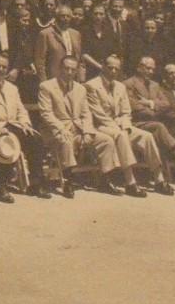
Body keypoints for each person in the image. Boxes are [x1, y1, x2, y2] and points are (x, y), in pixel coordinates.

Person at [38, 54, 134, 198]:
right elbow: (46, 114)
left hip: (79, 129)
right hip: (55, 130)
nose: (69, 72)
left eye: (73, 69)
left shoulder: (80, 89)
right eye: (66, 68)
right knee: (66, 139)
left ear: (76, 71)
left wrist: (88, 131)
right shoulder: (47, 86)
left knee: (106, 140)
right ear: (59, 68)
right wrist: (61, 129)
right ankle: (68, 180)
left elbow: (86, 113)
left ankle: (105, 179)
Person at [0, 52, 51, 201]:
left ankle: (36, 183)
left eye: (4, 67)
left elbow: (21, 109)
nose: (1, 70)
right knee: (4, 142)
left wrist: (25, 123)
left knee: (35, 139)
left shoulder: (12, 88)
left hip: (14, 125)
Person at [84, 55, 170, 195]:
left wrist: (125, 124)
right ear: (103, 66)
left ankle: (159, 179)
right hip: (101, 126)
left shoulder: (120, 86)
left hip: (121, 125)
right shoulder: (91, 86)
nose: (113, 71)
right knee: (121, 135)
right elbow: (98, 114)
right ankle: (130, 181)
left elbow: (126, 111)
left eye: (116, 69)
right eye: (110, 68)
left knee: (147, 136)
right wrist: (118, 127)